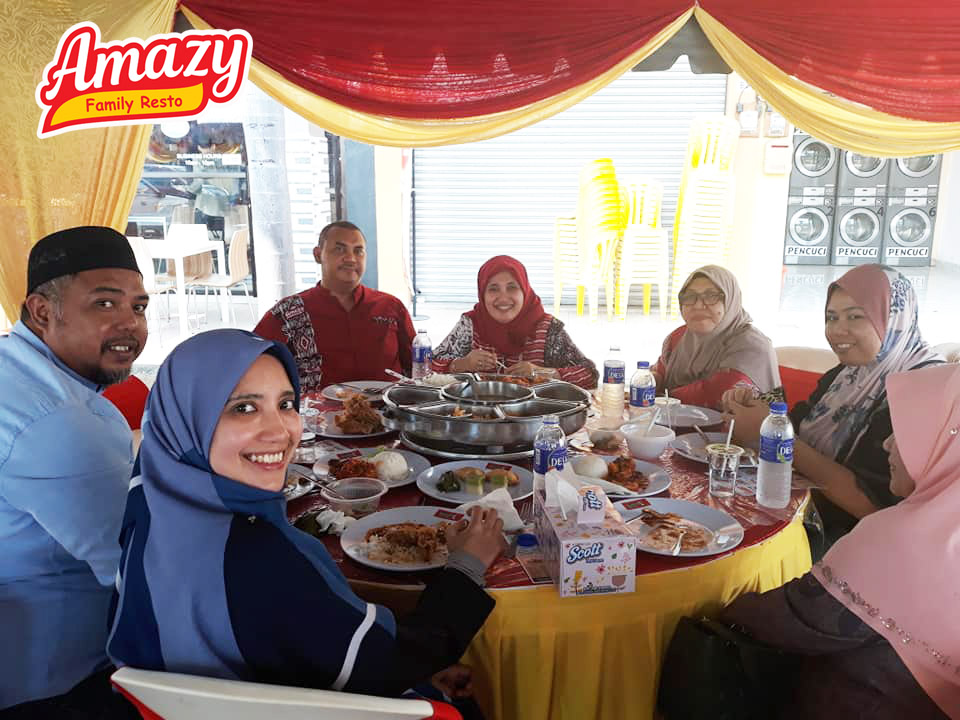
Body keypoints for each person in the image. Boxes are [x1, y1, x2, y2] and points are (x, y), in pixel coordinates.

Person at [107, 329, 502, 699]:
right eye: (243, 408)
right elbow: (388, 664)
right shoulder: (264, 559)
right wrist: (467, 566)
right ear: (186, 418)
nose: (279, 431)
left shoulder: (145, 511)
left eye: (285, 404)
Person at [716, 363, 959, 719]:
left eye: (906, 433)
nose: (886, 444)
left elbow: (789, 620)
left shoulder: (903, 542)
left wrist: (710, 605)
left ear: (945, 444)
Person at [0, 227, 147, 716]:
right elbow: (138, 570)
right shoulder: (56, 421)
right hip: (65, 681)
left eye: (139, 307)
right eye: (105, 304)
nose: (130, 324)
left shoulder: (15, 368)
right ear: (43, 311)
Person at [725, 264, 942, 548]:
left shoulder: (922, 391)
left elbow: (873, 505)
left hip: (857, 541)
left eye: (855, 316)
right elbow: (797, 423)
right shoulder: (847, 374)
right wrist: (757, 407)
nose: (837, 330)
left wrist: (774, 436)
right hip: (802, 512)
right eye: (831, 317)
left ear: (893, 317)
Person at [254, 221, 417, 392]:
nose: (351, 259)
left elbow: (418, 365)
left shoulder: (390, 307)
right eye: (339, 249)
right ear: (318, 255)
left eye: (358, 251)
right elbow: (251, 364)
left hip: (389, 407)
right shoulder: (288, 313)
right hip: (315, 409)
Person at [432, 255, 598, 388]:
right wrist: (463, 364)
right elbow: (425, 367)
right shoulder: (470, 324)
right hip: (478, 411)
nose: (503, 298)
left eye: (512, 287)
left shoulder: (548, 329)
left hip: (534, 415)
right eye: (493, 289)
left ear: (524, 291)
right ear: (482, 294)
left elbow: (589, 375)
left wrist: (541, 372)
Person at [651, 265, 781, 409]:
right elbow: (659, 372)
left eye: (711, 296)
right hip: (673, 420)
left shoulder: (752, 346)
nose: (698, 305)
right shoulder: (677, 338)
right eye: (689, 297)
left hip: (734, 423)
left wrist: (661, 397)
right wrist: (651, 379)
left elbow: (716, 394)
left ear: (730, 301)